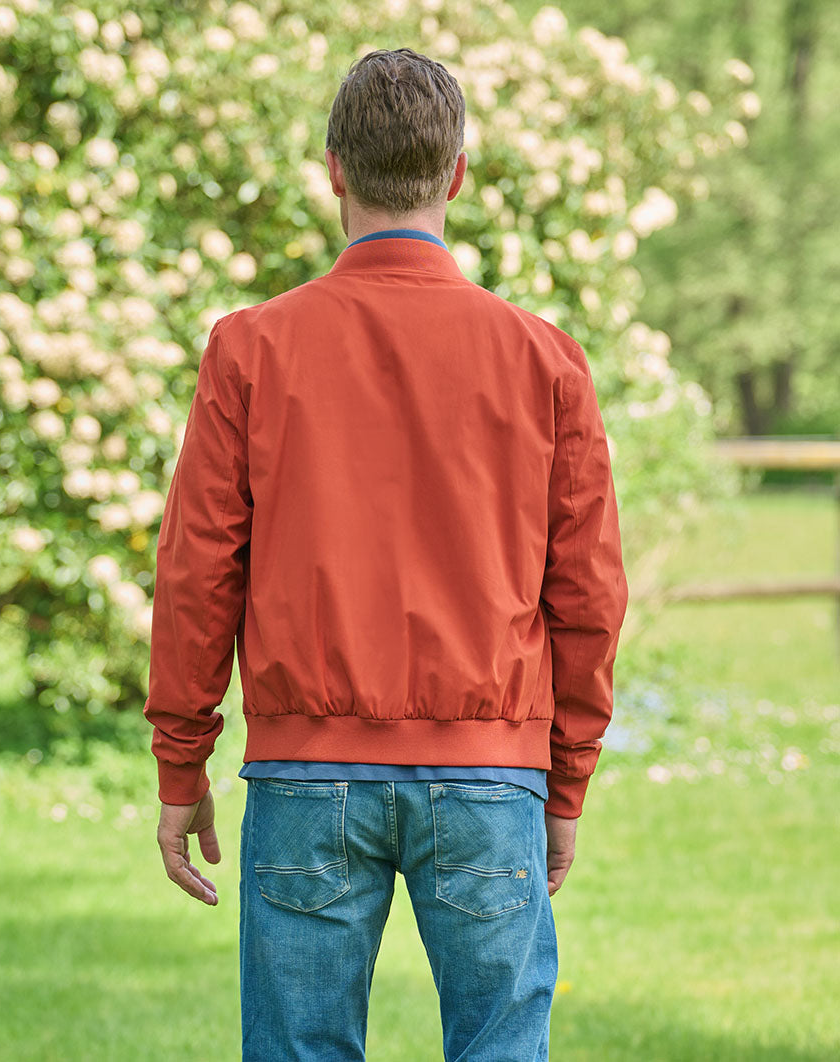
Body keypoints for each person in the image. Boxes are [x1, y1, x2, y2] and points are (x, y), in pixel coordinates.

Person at [143, 46, 628, 1062]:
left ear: (332, 171)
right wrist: (566, 778)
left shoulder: (252, 350)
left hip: (304, 775)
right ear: (457, 174)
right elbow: (587, 595)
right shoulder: (543, 359)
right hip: (492, 776)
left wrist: (181, 761)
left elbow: (198, 575)